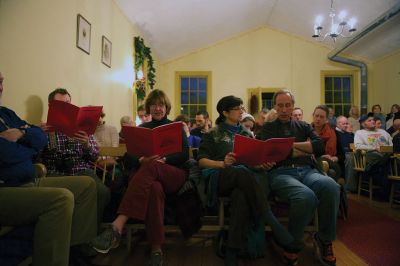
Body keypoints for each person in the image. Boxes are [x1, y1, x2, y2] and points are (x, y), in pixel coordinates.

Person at [0, 71, 98, 266]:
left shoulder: (6, 113)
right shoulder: (46, 128)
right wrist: (30, 140)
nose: (0, 87)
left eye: (1, 81)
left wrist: (21, 134)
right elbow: (10, 154)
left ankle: (75, 249)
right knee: (63, 197)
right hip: (15, 182)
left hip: (31, 177)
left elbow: (37, 139)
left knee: (88, 184)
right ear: (51, 107)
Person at [91, 89, 189, 266]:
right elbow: (129, 158)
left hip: (173, 174)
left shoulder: (176, 127)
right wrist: (141, 159)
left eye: (161, 105)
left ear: (166, 107)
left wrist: (164, 159)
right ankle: (156, 250)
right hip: (149, 178)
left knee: (153, 165)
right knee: (154, 189)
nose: (157, 108)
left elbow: (185, 156)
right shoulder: (141, 129)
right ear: (149, 108)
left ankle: (118, 224)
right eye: (153, 105)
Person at [197, 95, 291, 265]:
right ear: (225, 112)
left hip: (244, 181)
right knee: (239, 171)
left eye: (242, 107)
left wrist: (262, 165)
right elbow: (202, 161)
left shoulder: (246, 133)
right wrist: (222, 163)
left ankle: (232, 252)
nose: (242, 111)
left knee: (240, 195)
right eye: (237, 108)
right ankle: (269, 218)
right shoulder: (213, 133)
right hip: (221, 177)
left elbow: (253, 161)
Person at [257, 89, 340, 266]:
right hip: (281, 173)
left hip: (308, 170)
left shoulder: (303, 126)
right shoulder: (268, 128)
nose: (285, 109)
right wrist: (303, 148)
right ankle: (291, 244)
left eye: (288, 105)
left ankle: (325, 239)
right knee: (305, 196)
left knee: (331, 186)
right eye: (280, 105)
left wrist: (290, 146)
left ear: (293, 106)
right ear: (275, 107)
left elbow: (319, 147)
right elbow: (270, 153)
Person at [39, 88, 110, 223]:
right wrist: (37, 134)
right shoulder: (44, 130)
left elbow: (95, 157)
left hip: (82, 171)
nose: (65, 108)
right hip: (56, 174)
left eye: (68, 104)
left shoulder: (82, 127)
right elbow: (35, 157)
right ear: (50, 107)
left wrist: (87, 145)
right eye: (61, 105)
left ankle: (90, 232)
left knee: (103, 192)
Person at [354, 113, 393, 198]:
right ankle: (383, 192)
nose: (373, 122)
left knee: (388, 159)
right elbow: (358, 146)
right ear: (363, 124)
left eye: (374, 120)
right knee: (384, 160)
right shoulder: (360, 133)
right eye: (369, 120)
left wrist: (386, 149)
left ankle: (372, 169)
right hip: (371, 154)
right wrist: (374, 148)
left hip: (386, 154)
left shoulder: (383, 132)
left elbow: (392, 144)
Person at [311, 105, 342, 180]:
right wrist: (321, 157)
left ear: (326, 119)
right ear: (313, 116)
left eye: (321, 117)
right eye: (316, 116)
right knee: (330, 172)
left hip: (331, 162)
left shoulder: (334, 133)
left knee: (330, 170)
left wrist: (335, 158)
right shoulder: (306, 131)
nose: (318, 119)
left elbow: (342, 155)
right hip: (312, 162)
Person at [335, 116, 356, 192]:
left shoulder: (349, 134)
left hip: (352, 153)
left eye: (347, 123)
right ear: (337, 124)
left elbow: (353, 146)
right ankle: (349, 187)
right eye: (344, 124)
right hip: (340, 155)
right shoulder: (334, 133)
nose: (346, 125)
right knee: (350, 157)